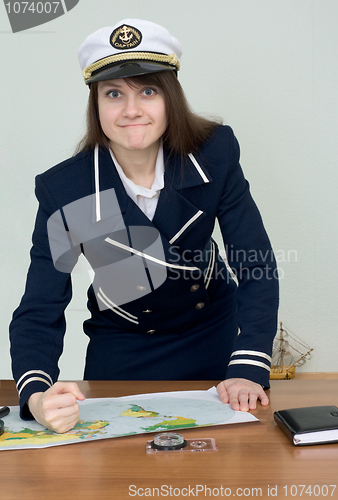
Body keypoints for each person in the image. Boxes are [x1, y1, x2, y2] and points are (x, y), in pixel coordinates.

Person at [9, 19, 279, 434]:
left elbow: (254, 260)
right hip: (123, 347)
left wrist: (248, 364)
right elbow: (41, 305)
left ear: (170, 98)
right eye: (113, 94)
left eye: (148, 91)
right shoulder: (68, 189)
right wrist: (36, 395)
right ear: (95, 104)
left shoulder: (213, 154)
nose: (131, 110)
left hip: (212, 337)